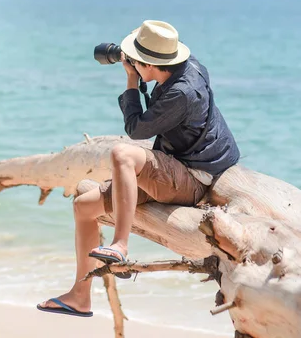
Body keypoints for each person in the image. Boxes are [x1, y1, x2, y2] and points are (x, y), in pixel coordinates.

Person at [37, 20, 240, 317]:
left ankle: (120, 245)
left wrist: (131, 81)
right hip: (177, 162)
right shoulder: (188, 64)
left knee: (123, 154)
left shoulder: (181, 92)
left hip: (195, 176)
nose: (129, 63)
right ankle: (80, 296)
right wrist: (140, 65)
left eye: (135, 60)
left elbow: (136, 130)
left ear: (149, 64)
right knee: (83, 206)